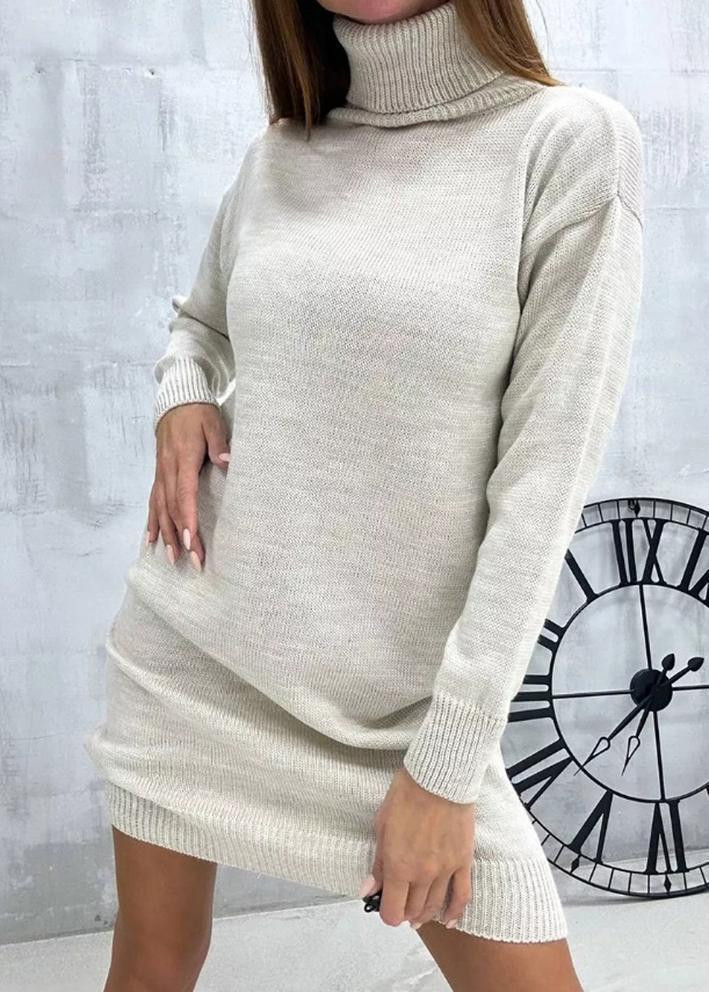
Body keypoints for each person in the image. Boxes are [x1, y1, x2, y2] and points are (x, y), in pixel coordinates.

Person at [84, 1, 644, 989]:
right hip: (193, 664)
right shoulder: (281, 154)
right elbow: (201, 324)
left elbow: (540, 490)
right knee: (154, 962)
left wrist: (447, 767)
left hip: (404, 715)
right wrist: (184, 398)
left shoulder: (567, 146)